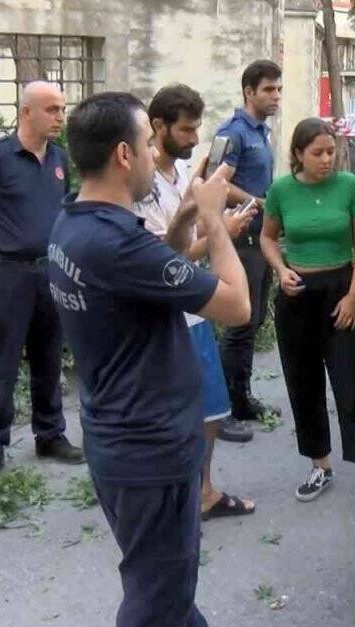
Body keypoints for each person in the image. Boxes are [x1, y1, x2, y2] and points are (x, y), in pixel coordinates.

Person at [48, 92, 249, 627]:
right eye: (145, 143)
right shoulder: (114, 243)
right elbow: (236, 305)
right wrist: (213, 218)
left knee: (168, 590)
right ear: (123, 155)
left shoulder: (76, 223)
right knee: (157, 601)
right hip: (150, 449)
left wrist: (185, 216)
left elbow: (159, 264)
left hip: (123, 437)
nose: (151, 152)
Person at [134, 84, 257, 520]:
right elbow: (161, 260)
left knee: (211, 409)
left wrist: (221, 225)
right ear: (158, 126)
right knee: (181, 413)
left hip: (193, 307)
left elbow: (187, 242)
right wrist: (214, 232)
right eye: (185, 130)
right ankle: (177, 498)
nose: (192, 139)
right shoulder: (142, 183)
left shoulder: (183, 175)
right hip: (168, 312)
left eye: (196, 130)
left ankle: (202, 490)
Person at [0, 81, 84, 482]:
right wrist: (1, 245)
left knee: (48, 358)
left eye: (62, 109)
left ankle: (50, 434)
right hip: (7, 273)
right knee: (2, 364)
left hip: (50, 271)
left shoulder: (59, 158)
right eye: (51, 109)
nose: (60, 117)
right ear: (26, 112)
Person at [260, 118, 355, 502]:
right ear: (298, 155)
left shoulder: (350, 186)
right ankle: (320, 465)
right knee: (303, 382)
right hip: (298, 296)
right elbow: (267, 237)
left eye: (331, 152)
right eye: (317, 153)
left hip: (342, 291)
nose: (327, 160)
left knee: (351, 381)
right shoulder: (281, 190)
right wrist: (280, 269)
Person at [216, 60, 284, 431]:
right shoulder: (233, 133)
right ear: (248, 92)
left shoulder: (261, 132)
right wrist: (257, 203)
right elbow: (218, 183)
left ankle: (241, 399)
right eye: (268, 90)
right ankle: (223, 407)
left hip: (260, 239)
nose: (275, 96)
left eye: (278, 89)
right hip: (240, 238)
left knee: (253, 321)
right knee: (238, 323)